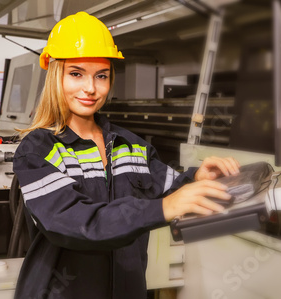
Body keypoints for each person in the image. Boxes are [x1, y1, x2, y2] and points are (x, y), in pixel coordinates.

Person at [12, 11, 239, 299]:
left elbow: (168, 187)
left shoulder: (129, 145)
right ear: (55, 74)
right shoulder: (37, 151)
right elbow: (75, 223)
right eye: (76, 74)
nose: (91, 88)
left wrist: (196, 178)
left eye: (101, 76)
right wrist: (162, 209)